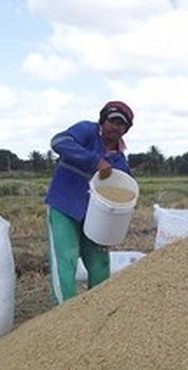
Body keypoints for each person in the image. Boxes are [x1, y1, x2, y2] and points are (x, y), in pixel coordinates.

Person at [45, 100, 134, 304]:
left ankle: (96, 311)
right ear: (103, 120)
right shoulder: (86, 131)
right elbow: (59, 142)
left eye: (122, 124)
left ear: (126, 129)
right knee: (65, 261)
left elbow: (126, 188)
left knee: (99, 264)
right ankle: (64, 314)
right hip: (64, 208)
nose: (116, 127)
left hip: (96, 217)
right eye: (112, 121)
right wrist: (94, 161)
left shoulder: (120, 160)